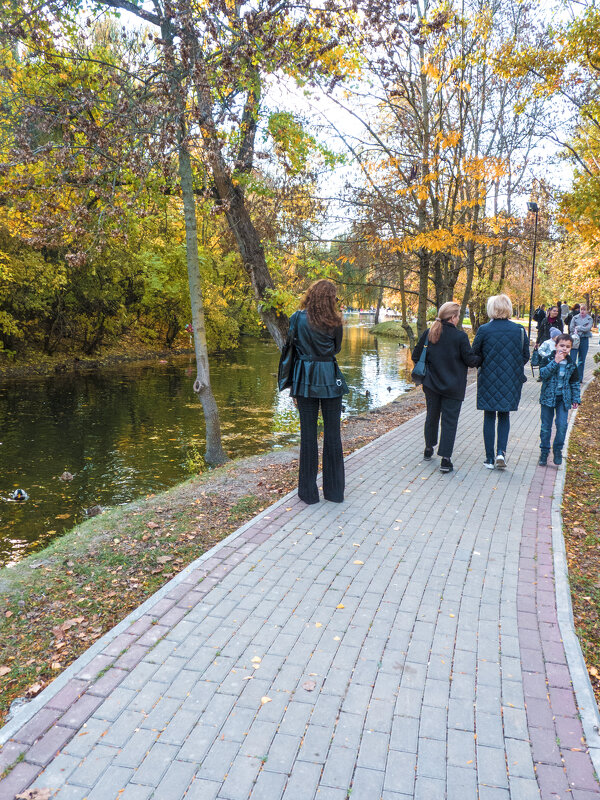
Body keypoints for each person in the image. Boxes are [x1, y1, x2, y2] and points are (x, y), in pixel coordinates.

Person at [288, 280, 348, 504]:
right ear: (330, 299)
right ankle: (334, 493)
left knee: (308, 435)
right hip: (329, 378)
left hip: (304, 379)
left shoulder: (296, 318)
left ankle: (308, 493)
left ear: (311, 296)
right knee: (333, 435)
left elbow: (290, 349)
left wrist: (292, 385)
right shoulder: (336, 322)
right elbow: (336, 349)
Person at [411, 302, 480, 474]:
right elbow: (471, 361)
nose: (459, 318)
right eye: (458, 316)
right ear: (453, 317)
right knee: (449, 422)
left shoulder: (430, 333)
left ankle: (428, 448)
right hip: (453, 387)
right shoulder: (460, 337)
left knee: (431, 416)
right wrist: (482, 356)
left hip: (431, 384)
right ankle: (445, 459)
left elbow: (415, 355)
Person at [472, 294, 530, 469]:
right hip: (511, 380)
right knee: (504, 415)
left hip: (488, 378)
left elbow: (475, 354)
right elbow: (525, 356)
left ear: (491, 309)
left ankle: (489, 458)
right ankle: (501, 453)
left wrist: (485, 363)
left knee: (489, 415)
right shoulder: (519, 330)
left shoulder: (484, 330)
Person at [538, 333, 580, 466]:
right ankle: (544, 451)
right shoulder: (548, 358)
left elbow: (574, 382)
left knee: (562, 426)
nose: (564, 349)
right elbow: (543, 374)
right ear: (556, 346)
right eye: (562, 345)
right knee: (546, 427)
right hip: (548, 398)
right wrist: (555, 361)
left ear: (571, 348)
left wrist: (576, 398)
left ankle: (557, 450)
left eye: (568, 347)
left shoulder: (571, 363)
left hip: (563, 399)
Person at [569, 302, 593, 382]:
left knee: (581, 360)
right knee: (572, 359)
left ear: (587, 310)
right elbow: (571, 328)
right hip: (575, 339)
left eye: (584, 310)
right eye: (581, 309)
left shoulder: (589, 318)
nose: (582, 311)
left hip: (584, 340)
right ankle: (571, 377)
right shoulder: (575, 317)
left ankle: (579, 378)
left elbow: (588, 328)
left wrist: (578, 328)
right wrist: (581, 329)